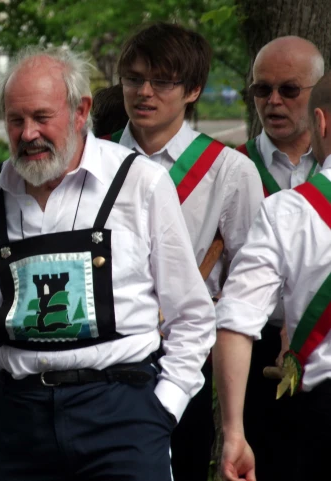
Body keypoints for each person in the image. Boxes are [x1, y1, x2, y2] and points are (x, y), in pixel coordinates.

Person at [0, 45, 216, 481]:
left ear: (81, 110)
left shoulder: (139, 183)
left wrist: (162, 411)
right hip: (16, 423)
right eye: (16, 120)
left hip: (122, 416)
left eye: (41, 117)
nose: (28, 133)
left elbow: (192, 315)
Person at [113, 23, 263, 480]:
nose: (144, 92)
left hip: (181, 363)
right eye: (134, 78)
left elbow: (251, 282)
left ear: (193, 90)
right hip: (103, 365)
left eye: (162, 81)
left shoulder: (229, 172)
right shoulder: (91, 163)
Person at [215, 71, 331, 481]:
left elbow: (235, 320)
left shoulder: (288, 210)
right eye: (262, 89)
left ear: (321, 121)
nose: (274, 100)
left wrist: (233, 433)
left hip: (319, 413)